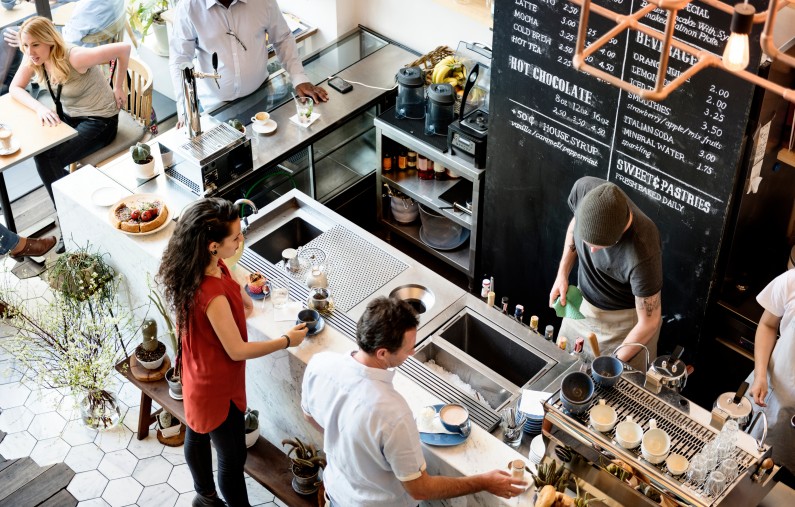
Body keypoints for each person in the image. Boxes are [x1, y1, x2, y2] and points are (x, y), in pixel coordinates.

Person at [301, 297, 527, 506]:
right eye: (408, 349)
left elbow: (309, 415)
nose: (413, 352)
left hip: (335, 495)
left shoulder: (320, 365)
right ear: (382, 353)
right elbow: (420, 489)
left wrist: (348, 442)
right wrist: (484, 482)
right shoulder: (393, 414)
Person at [157, 197, 308, 507]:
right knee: (232, 456)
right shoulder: (210, 294)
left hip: (197, 370)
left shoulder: (203, 266)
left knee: (197, 432)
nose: (241, 240)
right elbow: (237, 350)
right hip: (216, 385)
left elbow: (244, 303)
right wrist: (286, 340)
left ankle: (205, 497)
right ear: (213, 245)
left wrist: (242, 287)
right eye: (236, 237)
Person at [9, 16, 130, 208]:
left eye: (35, 44)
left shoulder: (75, 57)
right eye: (25, 45)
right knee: (41, 151)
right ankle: (82, 197)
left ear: (49, 41)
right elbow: (15, 88)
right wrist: (39, 108)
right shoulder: (32, 55)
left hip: (100, 120)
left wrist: (118, 87)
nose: (30, 51)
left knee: (48, 159)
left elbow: (124, 49)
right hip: (71, 116)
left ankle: (69, 210)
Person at [549, 176, 663, 370]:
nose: (592, 251)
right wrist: (563, 273)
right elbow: (574, 224)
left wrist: (613, 362)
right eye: (588, 243)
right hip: (582, 308)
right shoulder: (584, 190)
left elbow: (650, 321)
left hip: (625, 326)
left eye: (600, 247)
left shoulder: (643, 250)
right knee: (563, 370)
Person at [169, 0, 328, 126]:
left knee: (261, 153)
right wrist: (185, 111)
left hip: (259, 96)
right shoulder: (188, 7)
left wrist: (299, 77)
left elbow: (283, 38)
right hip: (214, 108)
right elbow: (180, 61)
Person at [747, 268, 795, 475]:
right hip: (770, 392)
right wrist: (759, 375)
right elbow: (767, 324)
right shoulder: (792, 281)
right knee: (745, 459)